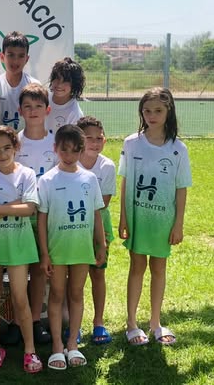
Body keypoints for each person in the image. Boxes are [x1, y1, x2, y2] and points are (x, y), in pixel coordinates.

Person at [119, 87, 191, 347]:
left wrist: (178, 223)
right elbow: (125, 182)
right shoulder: (131, 143)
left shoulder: (178, 149)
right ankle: (131, 323)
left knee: (159, 269)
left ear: (169, 111)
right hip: (138, 218)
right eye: (147, 111)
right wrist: (123, 218)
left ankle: (155, 323)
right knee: (137, 267)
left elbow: (181, 188)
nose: (152, 115)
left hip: (163, 221)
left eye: (158, 110)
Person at [37, 124, 106, 371]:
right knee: (56, 295)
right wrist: (45, 253)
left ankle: (72, 342)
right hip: (57, 250)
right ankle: (57, 346)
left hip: (81, 249)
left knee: (76, 294)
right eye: (64, 150)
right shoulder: (47, 180)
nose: (69, 155)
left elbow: (96, 214)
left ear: (82, 149)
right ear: (55, 148)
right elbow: (42, 219)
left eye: (75, 150)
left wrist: (101, 244)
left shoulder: (89, 179)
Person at [0, 125, 42, 373]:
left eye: (7, 148)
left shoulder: (27, 174)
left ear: (16, 147)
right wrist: (16, 203)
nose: (2, 154)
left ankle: (30, 350)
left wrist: (0, 207)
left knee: (19, 296)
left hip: (19, 244)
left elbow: (30, 209)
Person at [15, 83, 57, 345]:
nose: (33, 111)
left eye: (38, 106)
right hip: (20, 216)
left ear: (47, 110)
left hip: (47, 217)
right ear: (20, 111)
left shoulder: (56, 142)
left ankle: (34, 321)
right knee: (16, 270)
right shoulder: (14, 142)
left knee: (40, 269)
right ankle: (15, 321)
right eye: (27, 106)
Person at [76, 116, 116, 345]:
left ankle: (98, 322)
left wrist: (100, 239)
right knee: (75, 278)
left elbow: (103, 203)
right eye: (88, 138)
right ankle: (74, 324)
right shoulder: (69, 162)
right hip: (73, 226)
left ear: (105, 140)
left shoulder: (107, 166)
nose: (94, 142)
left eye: (99, 138)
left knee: (98, 273)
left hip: (99, 226)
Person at [0, 31, 40, 130]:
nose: (15, 61)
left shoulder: (35, 85)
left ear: (27, 59)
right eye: (11, 55)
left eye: (21, 56)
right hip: (0, 139)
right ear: (2, 57)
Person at [45, 57, 85, 135]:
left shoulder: (75, 114)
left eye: (66, 81)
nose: (59, 84)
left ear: (74, 84)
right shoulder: (43, 98)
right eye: (57, 78)